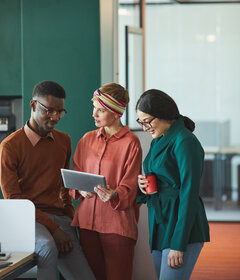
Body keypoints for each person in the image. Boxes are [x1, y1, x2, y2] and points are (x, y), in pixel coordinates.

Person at [0, 80, 95, 280]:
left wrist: (69, 219)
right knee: (47, 246)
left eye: (60, 112)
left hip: (59, 217)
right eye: (49, 110)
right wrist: (54, 229)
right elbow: (14, 199)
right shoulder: (9, 146)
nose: (55, 117)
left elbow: (64, 186)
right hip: (28, 218)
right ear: (33, 105)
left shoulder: (64, 141)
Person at [70, 83, 142, 280]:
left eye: (100, 110)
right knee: (92, 276)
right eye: (94, 108)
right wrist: (80, 190)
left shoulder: (131, 143)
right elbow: (76, 174)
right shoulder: (86, 139)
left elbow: (131, 184)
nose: (94, 114)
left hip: (116, 224)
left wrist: (115, 193)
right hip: (86, 223)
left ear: (116, 112)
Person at [136, 89, 210, 280]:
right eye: (140, 122)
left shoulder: (184, 141)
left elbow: (189, 193)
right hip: (160, 224)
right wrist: (142, 188)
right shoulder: (158, 140)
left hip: (181, 225)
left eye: (147, 121)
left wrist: (179, 243)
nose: (144, 127)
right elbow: (159, 180)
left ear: (163, 115)